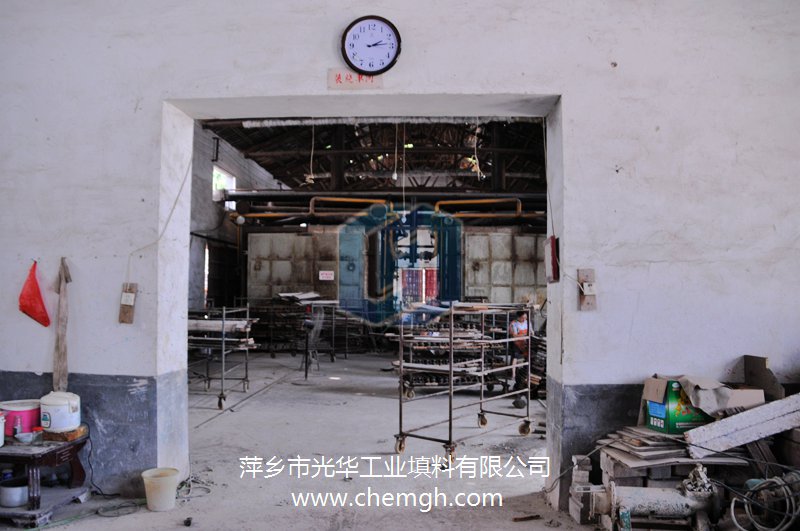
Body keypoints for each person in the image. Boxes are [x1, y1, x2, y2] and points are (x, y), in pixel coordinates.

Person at [509, 311, 529, 407]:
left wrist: (529, 335)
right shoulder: (514, 324)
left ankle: (525, 375)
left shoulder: (527, 323)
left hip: (525, 343)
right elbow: (514, 335)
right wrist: (523, 336)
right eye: (523, 318)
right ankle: (513, 374)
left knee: (527, 359)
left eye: (525, 318)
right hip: (516, 343)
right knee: (515, 358)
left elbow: (531, 332)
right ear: (518, 317)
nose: (524, 319)